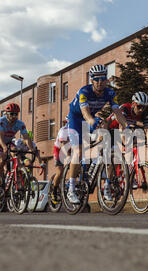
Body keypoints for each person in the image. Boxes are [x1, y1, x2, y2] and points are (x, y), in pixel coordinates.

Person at [66, 64, 129, 204]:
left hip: (92, 118)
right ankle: (71, 188)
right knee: (79, 151)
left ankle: (106, 184)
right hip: (77, 119)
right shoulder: (84, 92)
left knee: (108, 143)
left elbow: (117, 112)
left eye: (102, 79)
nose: (100, 82)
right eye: (96, 79)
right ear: (91, 80)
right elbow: (85, 113)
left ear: (106, 80)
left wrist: (126, 126)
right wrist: (92, 122)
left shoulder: (110, 93)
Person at [0, 102, 38, 199]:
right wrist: (3, 146)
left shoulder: (20, 123)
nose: (14, 116)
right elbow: (0, 136)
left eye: (16, 114)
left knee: (16, 152)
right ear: (6, 114)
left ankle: (14, 176)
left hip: (8, 142)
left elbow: (26, 137)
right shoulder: (1, 121)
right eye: (12, 114)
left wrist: (32, 149)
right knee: (2, 159)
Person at [51, 115, 70, 202]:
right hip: (59, 150)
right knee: (60, 171)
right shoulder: (64, 130)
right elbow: (63, 146)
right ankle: (54, 191)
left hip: (71, 149)